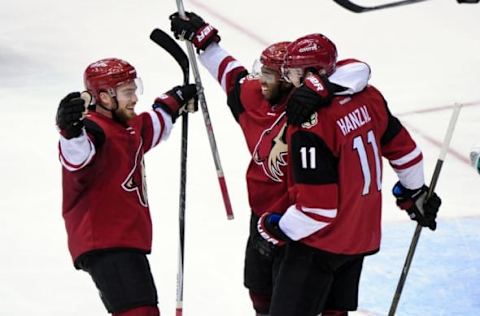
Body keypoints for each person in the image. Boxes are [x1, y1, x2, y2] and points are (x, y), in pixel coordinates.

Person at [169, 12, 371, 315]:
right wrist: (205, 40)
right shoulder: (253, 96)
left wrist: (320, 87)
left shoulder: (317, 103)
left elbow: (357, 70)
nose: (261, 80)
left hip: (303, 219)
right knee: (259, 289)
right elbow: (230, 73)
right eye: (261, 71)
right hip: (262, 214)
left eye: (270, 74)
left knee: (306, 301)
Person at [256, 34, 442, 316]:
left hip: (319, 244)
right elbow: (407, 154)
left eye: (294, 73)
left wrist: (274, 228)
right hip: (360, 237)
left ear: (314, 73)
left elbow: (317, 211)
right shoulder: (369, 96)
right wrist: (415, 192)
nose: (291, 81)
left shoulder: (310, 123)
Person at [56, 57, 197, 316]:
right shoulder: (92, 131)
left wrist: (175, 100)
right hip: (105, 243)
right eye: (127, 92)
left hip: (124, 243)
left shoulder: (127, 127)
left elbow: (152, 125)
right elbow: (76, 156)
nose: (134, 98)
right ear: (105, 97)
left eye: (135, 89)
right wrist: (70, 131)